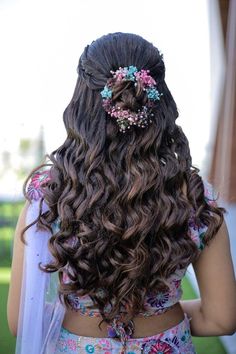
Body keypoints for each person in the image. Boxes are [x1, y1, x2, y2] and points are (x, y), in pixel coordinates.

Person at [7, 32, 236, 354]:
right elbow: (220, 320)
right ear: (161, 101)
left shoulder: (49, 194)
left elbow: (22, 320)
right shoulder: (196, 198)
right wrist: (159, 314)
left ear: (82, 104)